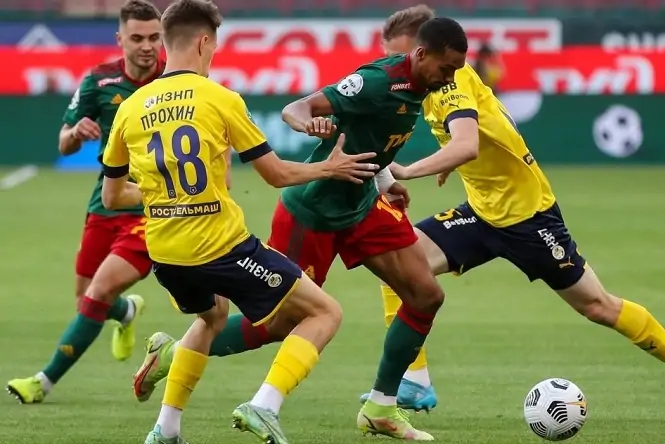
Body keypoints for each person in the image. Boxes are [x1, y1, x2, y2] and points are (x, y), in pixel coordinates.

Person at [357, 4, 665, 427]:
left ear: (429, 49)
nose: (399, 67)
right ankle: (416, 381)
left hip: (529, 218)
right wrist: (451, 162)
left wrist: (410, 170)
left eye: (405, 56)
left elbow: (467, 143)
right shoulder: (424, 85)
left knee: (598, 306)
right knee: (397, 265)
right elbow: (490, 128)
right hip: (482, 212)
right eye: (392, 58)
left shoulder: (452, 83)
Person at [131, 15, 468, 441]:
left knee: (426, 295)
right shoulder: (377, 82)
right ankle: (176, 353)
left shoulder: (420, 87)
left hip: (362, 203)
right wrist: (309, 123)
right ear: (421, 54)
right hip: (313, 210)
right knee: (280, 322)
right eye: (446, 68)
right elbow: (297, 108)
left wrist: (384, 180)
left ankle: (381, 407)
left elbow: (371, 136)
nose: (449, 78)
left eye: (455, 70)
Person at [100, 1, 379, 443]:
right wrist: (328, 167)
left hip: (166, 254)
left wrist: (163, 196)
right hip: (221, 248)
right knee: (325, 312)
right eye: (214, 46)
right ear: (203, 42)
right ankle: (264, 405)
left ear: (166, 42)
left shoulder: (130, 109)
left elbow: (113, 196)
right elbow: (276, 175)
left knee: (212, 317)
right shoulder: (220, 98)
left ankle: (165, 429)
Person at [6, 0, 164, 404]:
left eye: (154, 37)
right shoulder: (99, 80)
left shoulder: (175, 81)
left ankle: (42, 382)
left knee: (98, 291)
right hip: (106, 202)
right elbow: (62, 141)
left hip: (154, 208)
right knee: (86, 300)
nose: (148, 46)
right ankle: (126, 312)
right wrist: (76, 132)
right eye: (138, 38)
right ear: (120, 39)